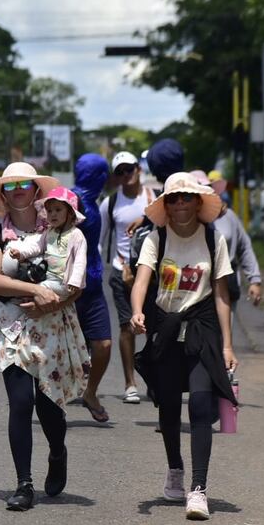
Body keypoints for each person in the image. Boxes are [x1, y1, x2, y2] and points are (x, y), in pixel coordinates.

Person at [0, 162, 91, 512]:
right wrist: (32, 290)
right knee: (21, 403)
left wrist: (48, 304)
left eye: (24, 184)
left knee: (49, 407)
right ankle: (24, 484)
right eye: (9, 186)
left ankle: (57, 452)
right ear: (3, 195)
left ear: (36, 191)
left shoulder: (62, 228)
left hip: (53, 324)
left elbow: (78, 281)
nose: (17, 191)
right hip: (11, 325)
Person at [130, 172, 239, 521]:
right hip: (165, 326)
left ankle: (199, 489)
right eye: (173, 199)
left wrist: (228, 346)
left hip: (202, 329)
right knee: (168, 405)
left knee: (202, 405)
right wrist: (136, 312)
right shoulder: (155, 239)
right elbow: (142, 279)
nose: (180, 205)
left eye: (186, 198)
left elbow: (222, 295)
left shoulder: (213, 238)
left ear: (197, 202)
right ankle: (175, 468)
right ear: (166, 205)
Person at [99, 151, 158, 404]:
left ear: (138, 169)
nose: (126, 175)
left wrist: (146, 217)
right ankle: (129, 383)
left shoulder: (152, 198)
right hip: (120, 270)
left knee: (154, 328)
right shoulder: (110, 203)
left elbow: (163, 224)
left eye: (129, 169)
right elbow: (100, 240)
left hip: (151, 270)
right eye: (120, 172)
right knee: (126, 327)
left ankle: (155, 382)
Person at [72, 154, 113, 423]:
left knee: (103, 344)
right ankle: (50, 400)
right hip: (71, 285)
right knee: (60, 347)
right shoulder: (71, 201)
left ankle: (90, 392)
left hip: (94, 283)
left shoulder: (93, 199)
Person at [190, 170, 262, 309]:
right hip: (191, 287)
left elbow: (244, 246)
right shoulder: (179, 221)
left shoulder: (228, 216)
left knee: (225, 329)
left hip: (226, 284)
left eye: (206, 189)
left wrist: (255, 280)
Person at [8, 186, 87, 300]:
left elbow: (80, 260)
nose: (53, 214)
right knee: (33, 293)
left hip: (65, 282)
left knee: (35, 292)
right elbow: (37, 246)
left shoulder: (76, 234)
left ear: (70, 213)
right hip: (49, 278)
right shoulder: (49, 231)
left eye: (58, 210)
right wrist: (21, 253)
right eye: (49, 211)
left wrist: (75, 281)